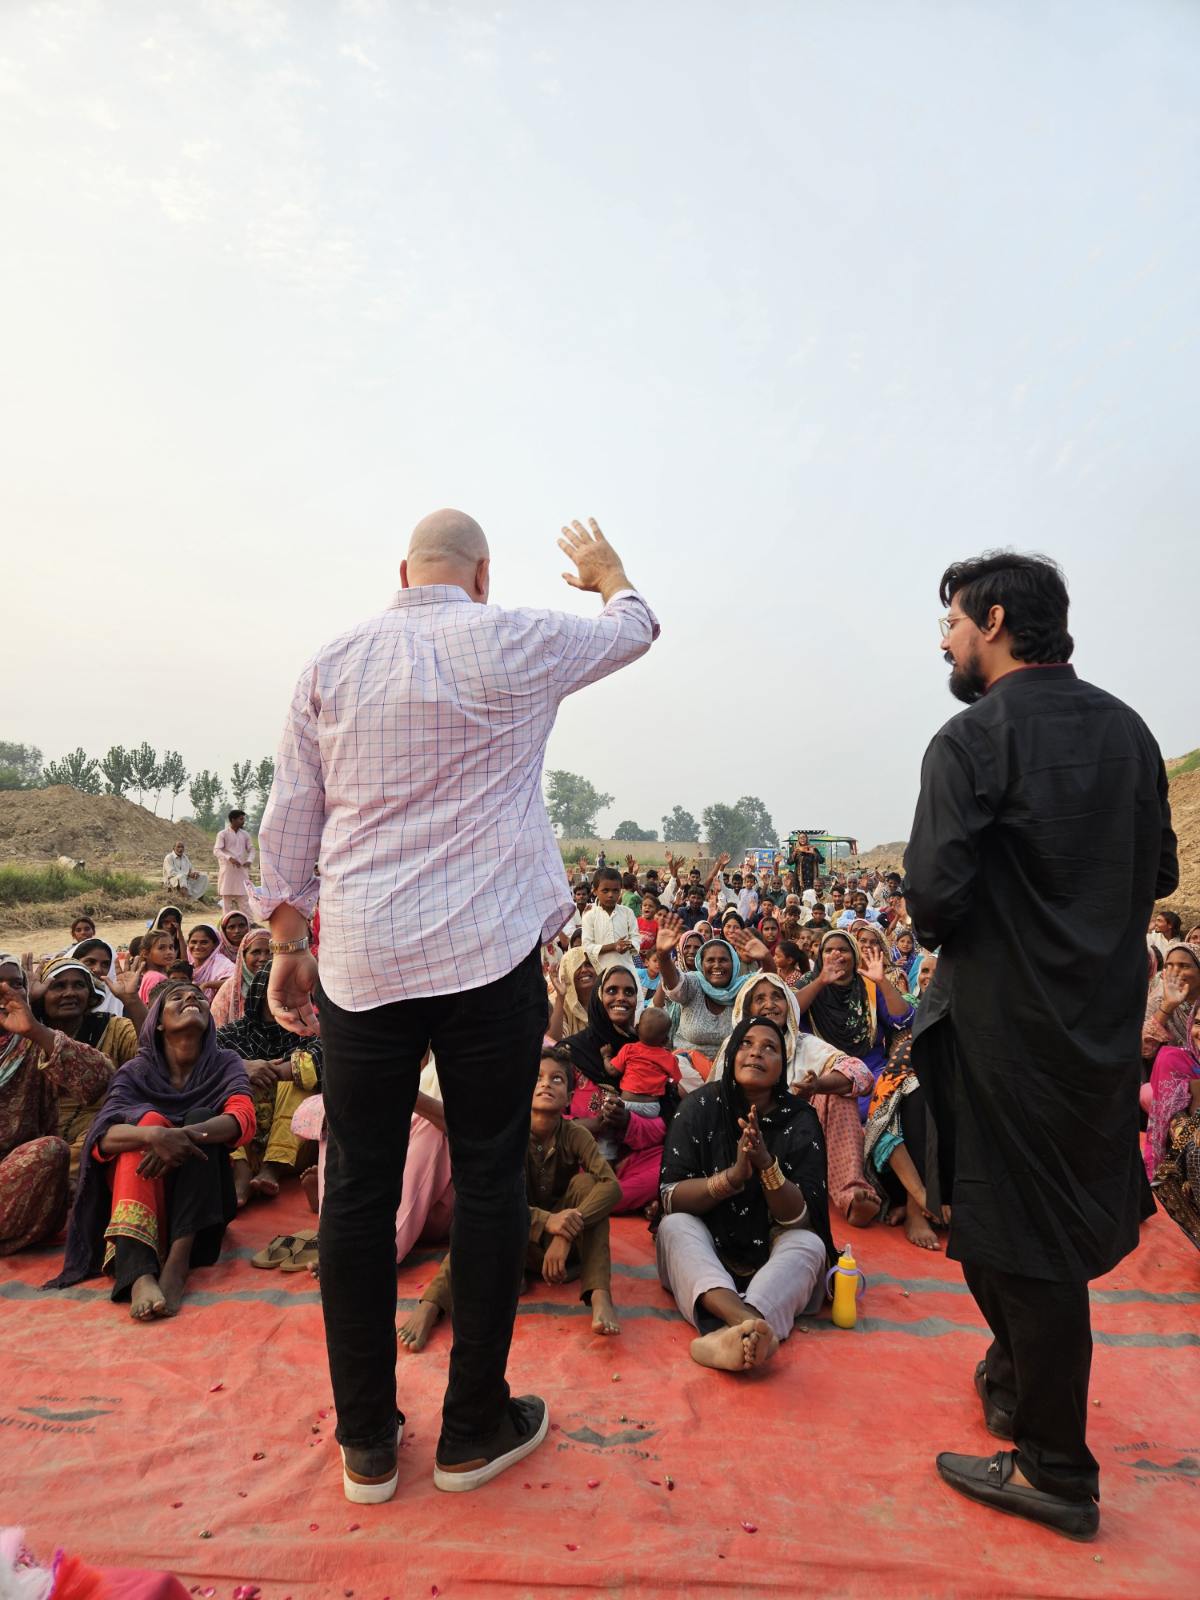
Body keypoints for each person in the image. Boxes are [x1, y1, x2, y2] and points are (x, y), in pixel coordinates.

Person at [255, 511, 657, 1503]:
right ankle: (474, 1428)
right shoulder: (511, 634)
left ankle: (368, 1444)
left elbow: (289, 815)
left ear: (402, 571)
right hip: (486, 959)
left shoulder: (332, 662)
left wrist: (286, 944)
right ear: (482, 577)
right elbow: (635, 629)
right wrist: (609, 574)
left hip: (362, 961)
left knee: (354, 1184)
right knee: (489, 1177)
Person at [904, 551, 1177, 1540]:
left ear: (999, 618)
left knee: (1029, 1241)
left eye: (951, 620)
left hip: (1003, 1030)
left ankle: (1057, 1467)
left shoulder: (970, 741)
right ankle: (1016, 1378)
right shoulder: (1131, 732)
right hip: (1097, 1027)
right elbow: (1154, 871)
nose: (942, 638)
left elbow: (933, 903)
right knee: (1009, 1222)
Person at [48, 983, 255, 1318]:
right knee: (145, 1123)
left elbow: (242, 1120)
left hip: (205, 1216)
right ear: (157, 1022)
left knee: (203, 1120)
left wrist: (179, 1136)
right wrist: (154, 1135)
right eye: (177, 997)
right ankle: (139, 1270)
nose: (192, 998)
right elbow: (101, 1138)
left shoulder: (225, 1063)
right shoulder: (135, 1071)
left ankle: (177, 1262)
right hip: (146, 1204)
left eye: (199, 996)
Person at [399, 1048, 622, 1353]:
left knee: (588, 1184)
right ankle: (431, 1305)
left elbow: (613, 1187)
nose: (545, 1084)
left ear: (570, 1097)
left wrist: (565, 1231)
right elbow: (497, 1200)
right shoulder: (509, 1136)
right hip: (514, 1237)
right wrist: (548, 1221)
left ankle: (599, 1296)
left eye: (556, 1079)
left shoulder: (576, 1135)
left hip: (561, 1250)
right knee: (478, 1215)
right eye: (537, 1078)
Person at [656, 1015, 834, 1373]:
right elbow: (671, 1196)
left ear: (782, 1066)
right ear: (732, 1052)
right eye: (747, 1044)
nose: (756, 1053)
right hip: (708, 1248)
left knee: (809, 1245)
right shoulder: (698, 1108)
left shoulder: (800, 1118)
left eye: (770, 1047)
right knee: (674, 1226)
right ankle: (749, 1324)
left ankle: (726, 1335)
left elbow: (800, 1217)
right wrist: (734, 1177)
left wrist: (766, 1164)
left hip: (772, 1249)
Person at [709, 971, 878, 1226]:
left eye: (777, 996)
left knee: (838, 1096)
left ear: (788, 1003)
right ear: (747, 1008)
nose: (769, 1004)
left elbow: (862, 1075)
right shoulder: (734, 1047)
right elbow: (714, 1099)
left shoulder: (805, 1044)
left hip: (797, 1144)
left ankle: (851, 1195)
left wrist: (817, 1085)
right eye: (760, 998)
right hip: (746, 1143)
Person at [0, 957, 112, 1254]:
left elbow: (100, 1079)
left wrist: (34, 1029)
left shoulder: (32, 1040)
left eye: (16, 984)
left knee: (51, 1150)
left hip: (11, 1177)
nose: (6, 992)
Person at [216, 963, 322, 1206]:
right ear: (261, 993)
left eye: (297, 991)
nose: (289, 999)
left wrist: (271, 1071)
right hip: (239, 1146)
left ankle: (271, 1169)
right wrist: (241, 1067)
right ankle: (240, 1173)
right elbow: (204, 1064)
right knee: (228, 1088)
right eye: (281, 990)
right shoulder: (229, 1035)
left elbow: (322, 1060)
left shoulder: (315, 1031)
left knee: (296, 1084)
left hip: (295, 1150)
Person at [35, 957, 139, 1178]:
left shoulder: (113, 1028)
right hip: (38, 1134)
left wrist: (132, 1002)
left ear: (91, 994)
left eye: (79, 985)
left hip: (99, 1128)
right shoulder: (27, 1033)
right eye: (58, 986)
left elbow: (152, 1051)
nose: (70, 993)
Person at [793, 931, 914, 1117]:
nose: (836, 954)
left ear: (854, 955)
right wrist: (821, 981)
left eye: (843, 950)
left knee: (888, 1099)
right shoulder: (809, 983)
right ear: (820, 956)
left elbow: (903, 1019)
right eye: (829, 950)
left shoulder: (869, 986)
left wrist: (882, 981)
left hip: (870, 1068)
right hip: (822, 1071)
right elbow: (790, 1013)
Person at [611, 1006, 682, 1118]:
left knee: (612, 1116)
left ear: (637, 1028)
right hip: (651, 1107)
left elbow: (613, 1071)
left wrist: (606, 1056)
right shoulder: (668, 1057)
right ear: (665, 1040)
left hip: (626, 1103)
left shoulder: (629, 1049)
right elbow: (675, 1081)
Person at [1141, 941, 1200, 1072]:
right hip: (1175, 1075)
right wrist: (1168, 1006)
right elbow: (1143, 1049)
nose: (1175, 972)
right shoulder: (1159, 999)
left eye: (1184, 966)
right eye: (1169, 965)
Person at [209, 927, 272, 1028]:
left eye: (270, 952)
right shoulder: (230, 988)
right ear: (244, 956)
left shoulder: (286, 986)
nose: (263, 958)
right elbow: (217, 1027)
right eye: (256, 952)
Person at [582, 867, 639, 976]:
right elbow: (587, 947)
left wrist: (628, 945)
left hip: (626, 971)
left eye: (615, 890)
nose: (610, 895)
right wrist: (613, 946)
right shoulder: (589, 917)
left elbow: (636, 938)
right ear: (595, 891)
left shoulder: (627, 913)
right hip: (601, 973)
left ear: (620, 891)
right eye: (605, 890)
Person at [214, 809, 255, 915]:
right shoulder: (222, 834)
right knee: (227, 901)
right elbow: (217, 850)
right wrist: (229, 858)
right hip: (228, 870)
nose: (243, 821)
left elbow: (252, 849)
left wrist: (249, 860)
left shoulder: (245, 835)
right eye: (241, 819)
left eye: (243, 819)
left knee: (244, 899)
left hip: (241, 870)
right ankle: (226, 925)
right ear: (233, 820)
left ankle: (249, 923)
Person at [185, 924, 235, 1002]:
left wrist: (207, 984)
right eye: (193, 942)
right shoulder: (189, 964)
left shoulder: (222, 963)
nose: (197, 947)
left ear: (215, 945)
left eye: (204, 942)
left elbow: (235, 981)